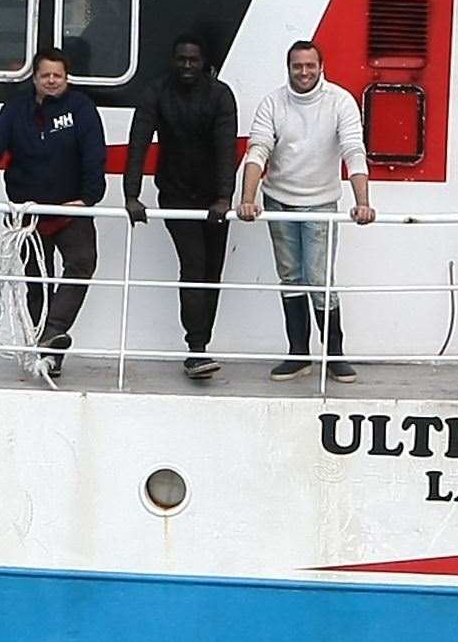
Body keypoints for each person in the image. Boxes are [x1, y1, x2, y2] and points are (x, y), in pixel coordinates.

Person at [0, 48, 108, 378]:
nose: (52, 80)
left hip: (71, 210)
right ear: (35, 78)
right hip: (28, 213)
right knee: (36, 284)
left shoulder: (81, 108)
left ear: (66, 77)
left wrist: (88, 198)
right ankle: (49, 350)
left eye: (58, 75)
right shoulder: (15, 109)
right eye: (45, 75)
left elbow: (95, 155)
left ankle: (52, 334)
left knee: (82, 263)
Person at [234, 40, 373, 382]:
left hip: (321, 202)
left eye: (310, 65)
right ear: (289, 68)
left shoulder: (340, 101)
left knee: (319, 279)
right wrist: (247, 198)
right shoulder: (273, 103)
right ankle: (298, 354)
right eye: (298, 66)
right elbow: (258, 151)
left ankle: (335, 354)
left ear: (321, 66)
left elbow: (353, 151)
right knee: (290, 277)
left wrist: (362, 202)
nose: (304, 72)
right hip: (278, 200)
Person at [124, 35, 240, 381]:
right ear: (173, 61)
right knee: (193, 264)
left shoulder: (221, 95)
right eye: (181, 60)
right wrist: (131, 194)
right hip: (174, 194)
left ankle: (202, 344)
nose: (187, 66)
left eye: (193, 60)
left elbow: (226, 149)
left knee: (212, 272)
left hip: (213, 198)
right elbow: (138, 142)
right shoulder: (156, 92)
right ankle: (196, 349)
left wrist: (224, 197)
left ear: (205, 62)